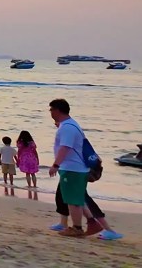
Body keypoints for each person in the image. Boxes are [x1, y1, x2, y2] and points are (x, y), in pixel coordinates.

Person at [48, 98, 90, 237]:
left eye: (51, 109)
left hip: (73, 168)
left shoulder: (67, 127)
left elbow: (65, 147)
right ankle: (78, 225)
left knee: (73, 200)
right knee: (74, 199)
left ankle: (77, 228)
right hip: (74, 168)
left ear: (57, 110)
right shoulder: (69, 125)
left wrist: (55, 165)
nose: (50, 112)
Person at [51, 189, 123, 240]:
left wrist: (56, 166)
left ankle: (108, 230)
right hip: (71, 170)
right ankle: (63, 223)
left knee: (82, 196)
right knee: (62, 193)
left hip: (77, 171)